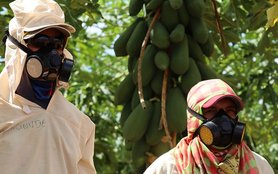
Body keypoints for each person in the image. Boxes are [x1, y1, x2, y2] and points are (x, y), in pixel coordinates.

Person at [0, 0, 96, 173]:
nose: (52, 53)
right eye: (41, 41)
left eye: (58, 43)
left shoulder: (80, 124)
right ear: (16, 46)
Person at [144, 79, 274, 174]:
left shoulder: (260, 165)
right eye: (211, 110)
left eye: (230, 110)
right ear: (194, 118)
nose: (223, 118)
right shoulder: (168, 167)